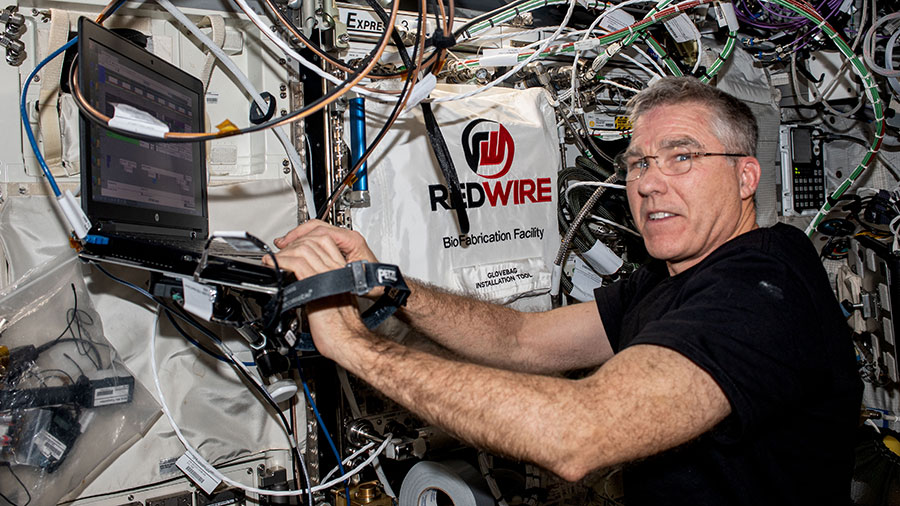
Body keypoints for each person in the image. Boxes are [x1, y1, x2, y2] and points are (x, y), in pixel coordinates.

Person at [269, 77, 862, 504]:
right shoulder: (672, 277)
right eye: (638, 163)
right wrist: (387, 286)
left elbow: (579, 434)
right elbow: (522, 338)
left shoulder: (761, 291)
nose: (650, 183)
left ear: (745, 177)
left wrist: (352, 344)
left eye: (682, 157)